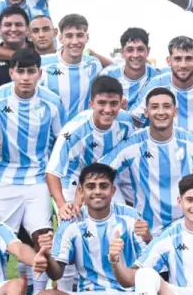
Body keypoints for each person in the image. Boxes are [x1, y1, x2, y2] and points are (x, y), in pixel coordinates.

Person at [22, 164, 149, 295]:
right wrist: (47, 256)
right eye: (91, 186)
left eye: (103, 186)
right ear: (81, 191)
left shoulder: (131, 216)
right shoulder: (70, 223)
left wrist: (148, 237)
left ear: (113, 191)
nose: (97, 191)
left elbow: (146, 263)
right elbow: (56, 273)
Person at [0, 48, 65, 295]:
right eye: (21, 72)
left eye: (31, 72)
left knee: (43, 237)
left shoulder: (52, 102)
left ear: (40, 73)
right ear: (11, 73)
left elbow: (61, 142)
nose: (26, 77)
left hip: (37, 179)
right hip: (1, 179)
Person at [100, 87, 193, 235]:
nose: (161, 112)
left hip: (185, 229)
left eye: (166, 106)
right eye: (154, 107)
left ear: (175, 111)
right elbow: (98, 172)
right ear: (146, 112)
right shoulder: (133, 144)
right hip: (147, 232)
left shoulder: (189, 141)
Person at [46, 76, 137, 216]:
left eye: (114, 103)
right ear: (91, 103)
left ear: (121, 103)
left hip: (106, 178)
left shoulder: (126, 122)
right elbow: (52, 172)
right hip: (74, 180)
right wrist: (62, 205)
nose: (108, 109)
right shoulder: (73, 131)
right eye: (102, 103)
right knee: (77, 220)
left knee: (118, 219)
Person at [40, 14, 103, 116]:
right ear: (61, 38)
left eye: (80, 35)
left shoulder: (94, 65)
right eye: (69, 36)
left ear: (87, 38)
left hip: (82, 126)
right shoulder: (43, 64)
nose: (75, 41)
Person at [100, 28, 159, 110]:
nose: (135, 55)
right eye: (130, 50)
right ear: (122, 52)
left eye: (140, 49)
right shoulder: (108, 76)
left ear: (148, 51)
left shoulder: (157, 77)